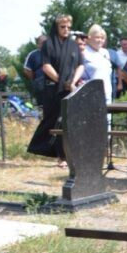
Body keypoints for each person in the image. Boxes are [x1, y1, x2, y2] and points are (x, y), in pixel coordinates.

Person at [27, 15, 83, 167]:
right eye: (63, 27)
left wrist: (72, 82)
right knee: (55, 122)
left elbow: (80, 65)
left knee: (68, 123)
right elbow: (46, 66)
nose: (66, 30)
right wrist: (62, 81)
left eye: (68, 27)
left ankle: (69, 155)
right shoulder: (48, 44)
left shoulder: (74, 46)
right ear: (56, 27)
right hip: (53, 89)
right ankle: (61, 156)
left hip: (71, 89)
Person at [83, 25, 113, 101]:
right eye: (97, 37)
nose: (100, 40)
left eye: (102, 38)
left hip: (107, 93)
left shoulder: (105, 52)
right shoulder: (84, 51)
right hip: (89, 94)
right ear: (89, 37)